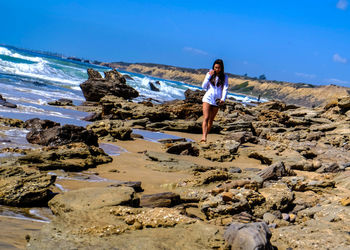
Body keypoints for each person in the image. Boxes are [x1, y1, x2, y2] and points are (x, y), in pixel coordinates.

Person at [200, 59, 229, 142]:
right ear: (213, 67)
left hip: (217, 100)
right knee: (206, 117)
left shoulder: (225, 76)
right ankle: (204, 137)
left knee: (211, 120)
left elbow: (225, 88)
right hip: (208, 98)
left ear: (221, 68)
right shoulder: (209, 74)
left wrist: (223, 98)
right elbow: (203, 86)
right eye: (215, 67)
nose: (217, 69)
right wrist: (209, 76)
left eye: (219, 68)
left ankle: (206, 135)